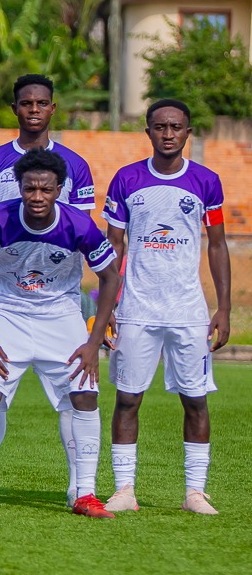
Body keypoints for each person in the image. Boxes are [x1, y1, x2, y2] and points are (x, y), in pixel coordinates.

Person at [0, 147, 119, 518]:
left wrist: (94, 342)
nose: (38, 196)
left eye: (46, 189)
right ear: (20, 187)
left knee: (85, 393)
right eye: (30, 188)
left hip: (59, 313)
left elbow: (110, 276)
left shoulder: (78, 224)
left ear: (59, 189)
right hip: (4, 309)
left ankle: (85, 493)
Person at [0, 73, 97, 507]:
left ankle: (81, 489)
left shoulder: (75, 165)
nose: (34, 110)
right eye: (26, 103)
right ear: (15, 109)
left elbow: (82, 232)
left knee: (78, 394)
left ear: (53, 108)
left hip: (59, 302)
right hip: (2, 300)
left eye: (42, 103)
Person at [102, 100, 231, 515]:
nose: (169, 134)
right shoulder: (127, 179)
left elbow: (217, 245)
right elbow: (113, 246)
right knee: (127, 399)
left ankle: (195, 493)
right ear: (148, 131)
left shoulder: (206, 181)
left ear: (188, 132)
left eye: (176, 127)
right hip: (136, 309)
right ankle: (124, 490)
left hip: (188, 311)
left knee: (195, 400)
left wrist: (224, 308)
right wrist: (106, 306)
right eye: (160, 127)